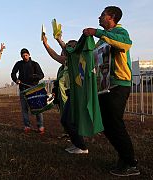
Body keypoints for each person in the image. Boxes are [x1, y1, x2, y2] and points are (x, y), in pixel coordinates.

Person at [83, 6, 139, 176]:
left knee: (115, 123)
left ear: (111, 17)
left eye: (102, 15)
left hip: (119, 84)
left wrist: (97, 32)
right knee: (106, 125)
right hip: (104, 87)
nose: (99, 17)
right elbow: (91, 56)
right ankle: (124, 157)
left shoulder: (121, 32)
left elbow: (125, 44)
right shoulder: (101, 40)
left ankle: (131, 163)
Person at [42, 33, 89, 154]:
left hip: (79, 95)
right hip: (71, 94)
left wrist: (59, 40)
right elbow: (55, 55)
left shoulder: (80, 58)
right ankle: (77, 144)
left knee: (70, 120)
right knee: (66, 120)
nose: (67, 48)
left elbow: (68, 51)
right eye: (66, 46)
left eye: (70, 46)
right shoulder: (67, 62)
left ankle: (82, 147)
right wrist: (46, 44)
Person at [11, 48, 46, 134]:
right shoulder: (19, 64)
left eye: (26, 55)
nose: (25, 57)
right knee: (24, 109)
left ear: (29, 55)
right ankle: (27, 126)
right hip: (23, 89)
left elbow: (41, 75)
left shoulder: (35, 64)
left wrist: (34, 77)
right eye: (23, 56)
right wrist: (16, 80)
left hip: (34, 89)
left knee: (38, 108)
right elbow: (13, 73)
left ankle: (40, 126)